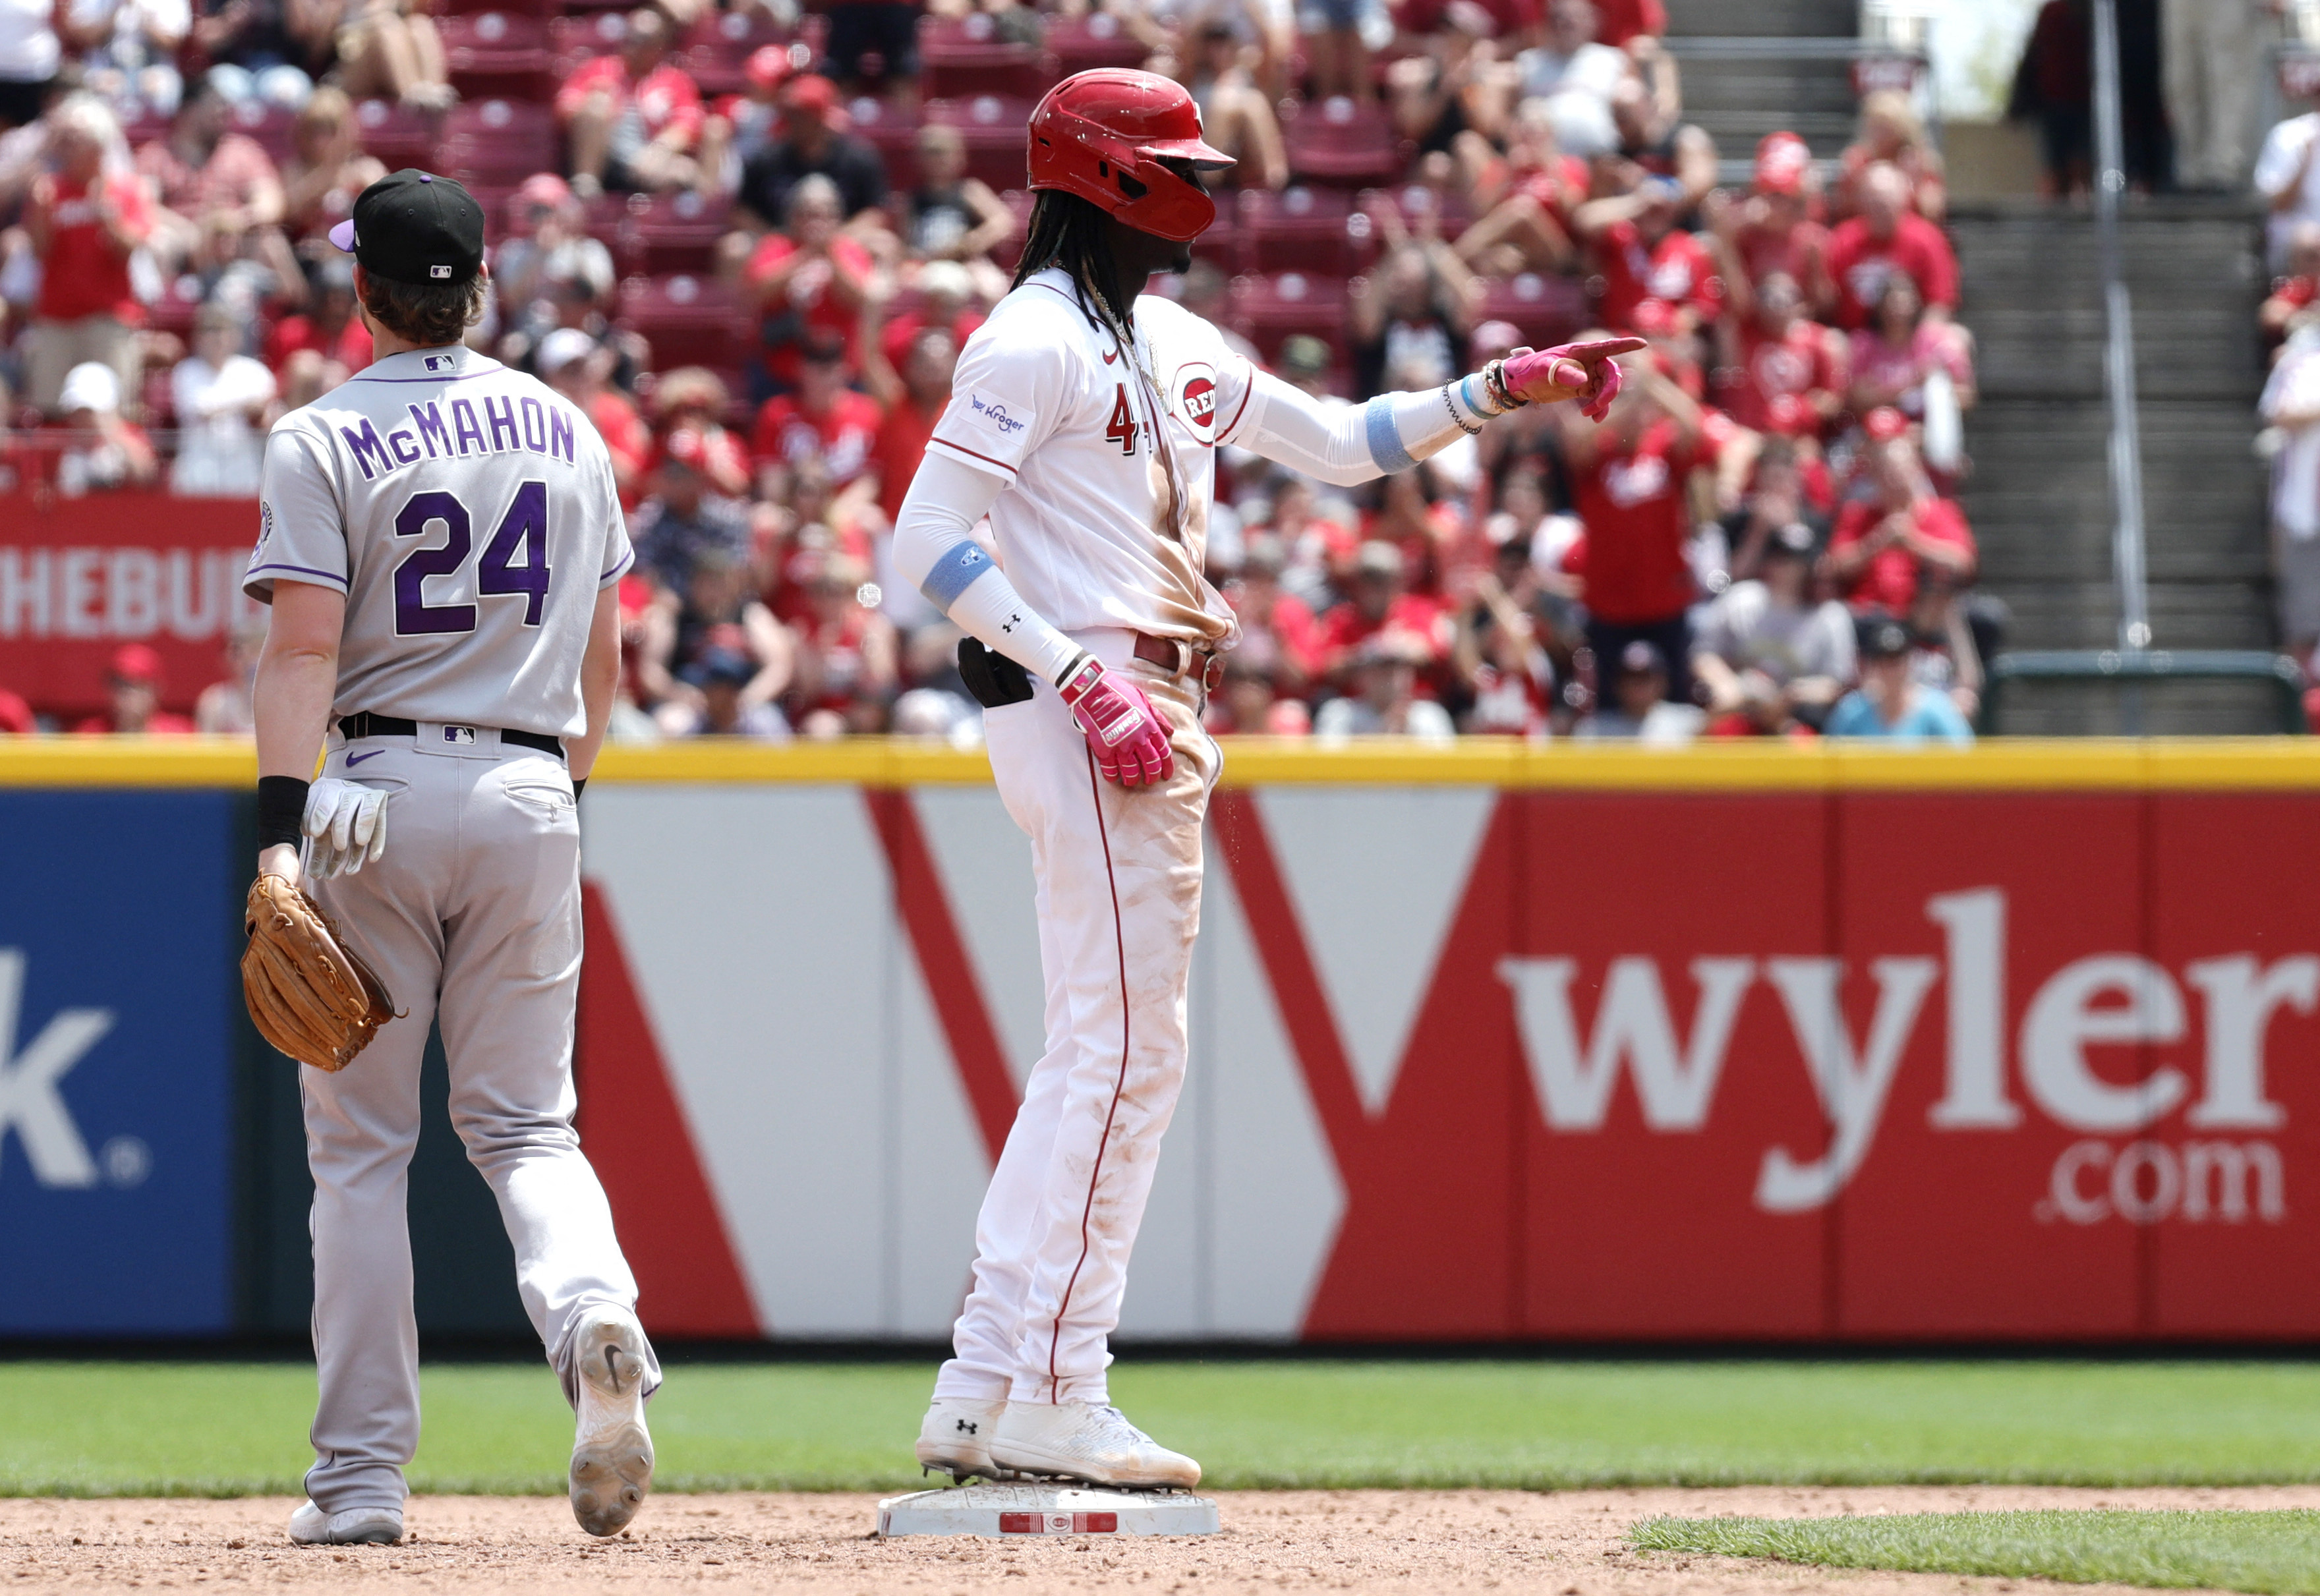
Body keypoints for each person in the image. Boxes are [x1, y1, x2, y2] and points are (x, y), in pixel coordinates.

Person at [886, 68, 1635, 1488]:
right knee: (1124, 1051)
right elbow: (922, 541)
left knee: (1092, 1048)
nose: (1203, 188)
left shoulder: (1155, 332)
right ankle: (1056, 1378)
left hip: (1136, 687)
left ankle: (987, 1379)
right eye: (1173, 163)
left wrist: (1496, 389)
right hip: (1098, 688)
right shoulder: (1029, 338)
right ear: (1103, 176)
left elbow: (1340, 447)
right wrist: (1071, 667)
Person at [239, 169, 658, 1548]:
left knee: (362, 1153)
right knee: (529, 1125)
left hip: (368, 784)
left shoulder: (319, 435)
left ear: (358, 287)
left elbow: (302, 646)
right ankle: (595, 1311)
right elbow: (603, 665)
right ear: (478, 287)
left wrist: (278, 832)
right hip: (534, 775)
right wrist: (550, 793)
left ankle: (360, 1484)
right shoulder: (567, 429)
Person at [23, 94, 152, 414]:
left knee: (114, 410)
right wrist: (41, 213)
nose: (65, 149)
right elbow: (40, 252)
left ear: (98, 145)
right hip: (57, 319)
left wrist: (107, 215)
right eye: (63, 141)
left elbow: (131, 248)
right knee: (50, 411)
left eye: (74, 141)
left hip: (108, 318)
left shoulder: (126, 189)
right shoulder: (48, 190)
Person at [1689, 519, 1853, 735]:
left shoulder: (1830, 615)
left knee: (1803, 748)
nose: (1789, 569)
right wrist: (1729, 686)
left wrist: (1791, 695)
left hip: (1795, 718)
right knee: (1714, 732)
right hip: (1741, 709)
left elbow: (1838, 685)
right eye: (1781, 558)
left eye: (1798, 561)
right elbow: (1703, 654)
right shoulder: (1741, 599)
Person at [556, 8, 722, 198]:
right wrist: (595, 105)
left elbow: (689, 122)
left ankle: (701, 215)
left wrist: (660, 149)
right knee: (597, 105)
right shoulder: (599, 69)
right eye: (629, 37)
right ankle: (586, 186)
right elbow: (564, 107)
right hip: (605, 158)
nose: (631, 45)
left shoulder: (674, 80)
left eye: (642, 40)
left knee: (684, 171)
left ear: (659, 46)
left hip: (646, 161)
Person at [1824, 161, 1959, 331]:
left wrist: (1918, 347)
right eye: (1874, 201)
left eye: (1886, 201)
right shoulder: (1842, 240)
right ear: (1860, 201)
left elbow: (1940, 305)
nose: (1880, 209)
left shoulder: (1928, 240)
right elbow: (1827, 304)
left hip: (1909, 341)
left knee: (1955, 339)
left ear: (1904, 199)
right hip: (1855, 340)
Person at [171, 302, 278, 494]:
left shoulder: (254, 371)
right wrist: (244, 405)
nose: (217, 338)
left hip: (244, 468)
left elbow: (271, 416)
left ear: (236, 336)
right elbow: (200, 411)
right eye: (210, 330)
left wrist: (258, 413)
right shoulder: (186, 371)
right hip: (197, 468)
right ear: (198, 337)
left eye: (223, 330)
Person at [1825, 617, 1973, 745]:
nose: (1891, 671)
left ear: (1910, 662)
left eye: (1897, 661)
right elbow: (1829, 761)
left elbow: (1964, 759)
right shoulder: (1852, 711)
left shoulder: (1938, 708)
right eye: (1884, 662)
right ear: (1873, 666)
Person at [72, 642, 196, 733]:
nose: (125, 694)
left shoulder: (179, 735)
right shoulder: (91, 736)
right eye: (118, 685)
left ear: (156, 691)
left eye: (135, 686)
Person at [196, 617, 269, 733]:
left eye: (256, 649)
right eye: (236, 651)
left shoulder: (282, 699)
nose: (248, 659)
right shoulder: (215, 702)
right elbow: (207, 747)